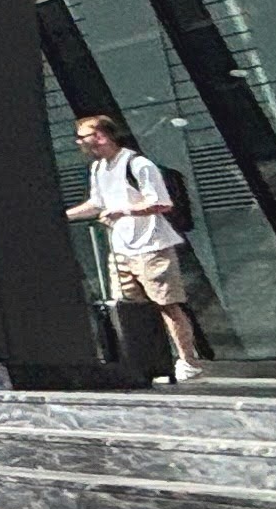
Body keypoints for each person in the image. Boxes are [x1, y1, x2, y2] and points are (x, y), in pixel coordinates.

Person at [66, 112, 205, 376]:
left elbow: (161, 202)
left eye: (83, 137)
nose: (79, 142)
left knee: (167, 304)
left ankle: (187, 361)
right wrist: (65, 214)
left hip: (152, 246)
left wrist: (123, 211)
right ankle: (145, 362)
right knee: (128, 308)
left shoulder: (138, 164)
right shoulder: (98, 168)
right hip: (120, 248)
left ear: (101, 136)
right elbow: (97, 203)